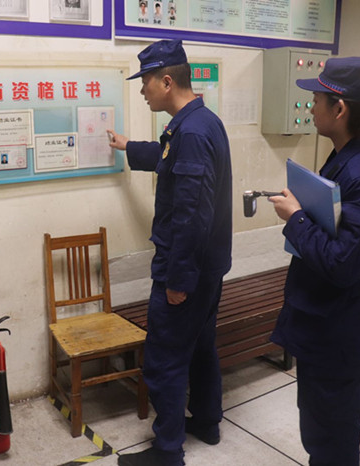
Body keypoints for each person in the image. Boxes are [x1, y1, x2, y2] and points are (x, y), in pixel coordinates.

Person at [108, 39, 232, 466]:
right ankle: (207, 422)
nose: (142, 90)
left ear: (166, 81)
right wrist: (128, 146)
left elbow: (191, 216)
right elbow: (167, 156)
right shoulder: (199, 122)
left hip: (186, 271)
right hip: (207, 268)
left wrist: (178, 280)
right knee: (201, 347)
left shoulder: (192, 132)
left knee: (164, 359)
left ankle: (166, 452)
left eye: (145, 82)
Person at [268, 57, 360, 465]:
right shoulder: (346, 159)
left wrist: (296, 218)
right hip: (322, 326)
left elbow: (343, 264)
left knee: (332, 439)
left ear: (339, 109)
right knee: (319, 430)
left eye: (317, 98)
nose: (311, 107)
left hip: (338, 334)